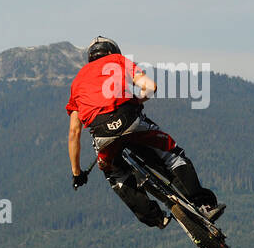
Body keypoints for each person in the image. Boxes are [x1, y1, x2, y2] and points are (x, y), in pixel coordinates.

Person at [66, 36, 225, 228]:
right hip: (130, 120)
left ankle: (155, 217)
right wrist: (136, 101)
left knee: (116, 175)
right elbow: (151, 87)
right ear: (112, 51)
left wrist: (77, 173)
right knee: (171, 156)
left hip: (102, 134)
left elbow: (74, 133)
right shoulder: (118, 60)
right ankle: (203, 205)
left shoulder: (77, 82)